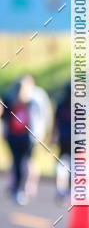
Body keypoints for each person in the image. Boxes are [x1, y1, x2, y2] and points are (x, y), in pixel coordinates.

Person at [1, 74, 45, 204]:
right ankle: (18, 189)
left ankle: (24, 188)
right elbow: (5, 118)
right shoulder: (10, 100)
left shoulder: (33, 101)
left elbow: (39, 119)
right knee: (18, 163)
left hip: (27, 137)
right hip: (15, 137)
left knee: (25, 162)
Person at [53, 81, 71, 203]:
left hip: (64, 139)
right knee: (70, 166)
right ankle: (67, 190)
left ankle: (61, 189)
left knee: (62, 164)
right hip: (73, 140)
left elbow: (56, 125)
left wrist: (53, 138)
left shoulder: (60, 105)